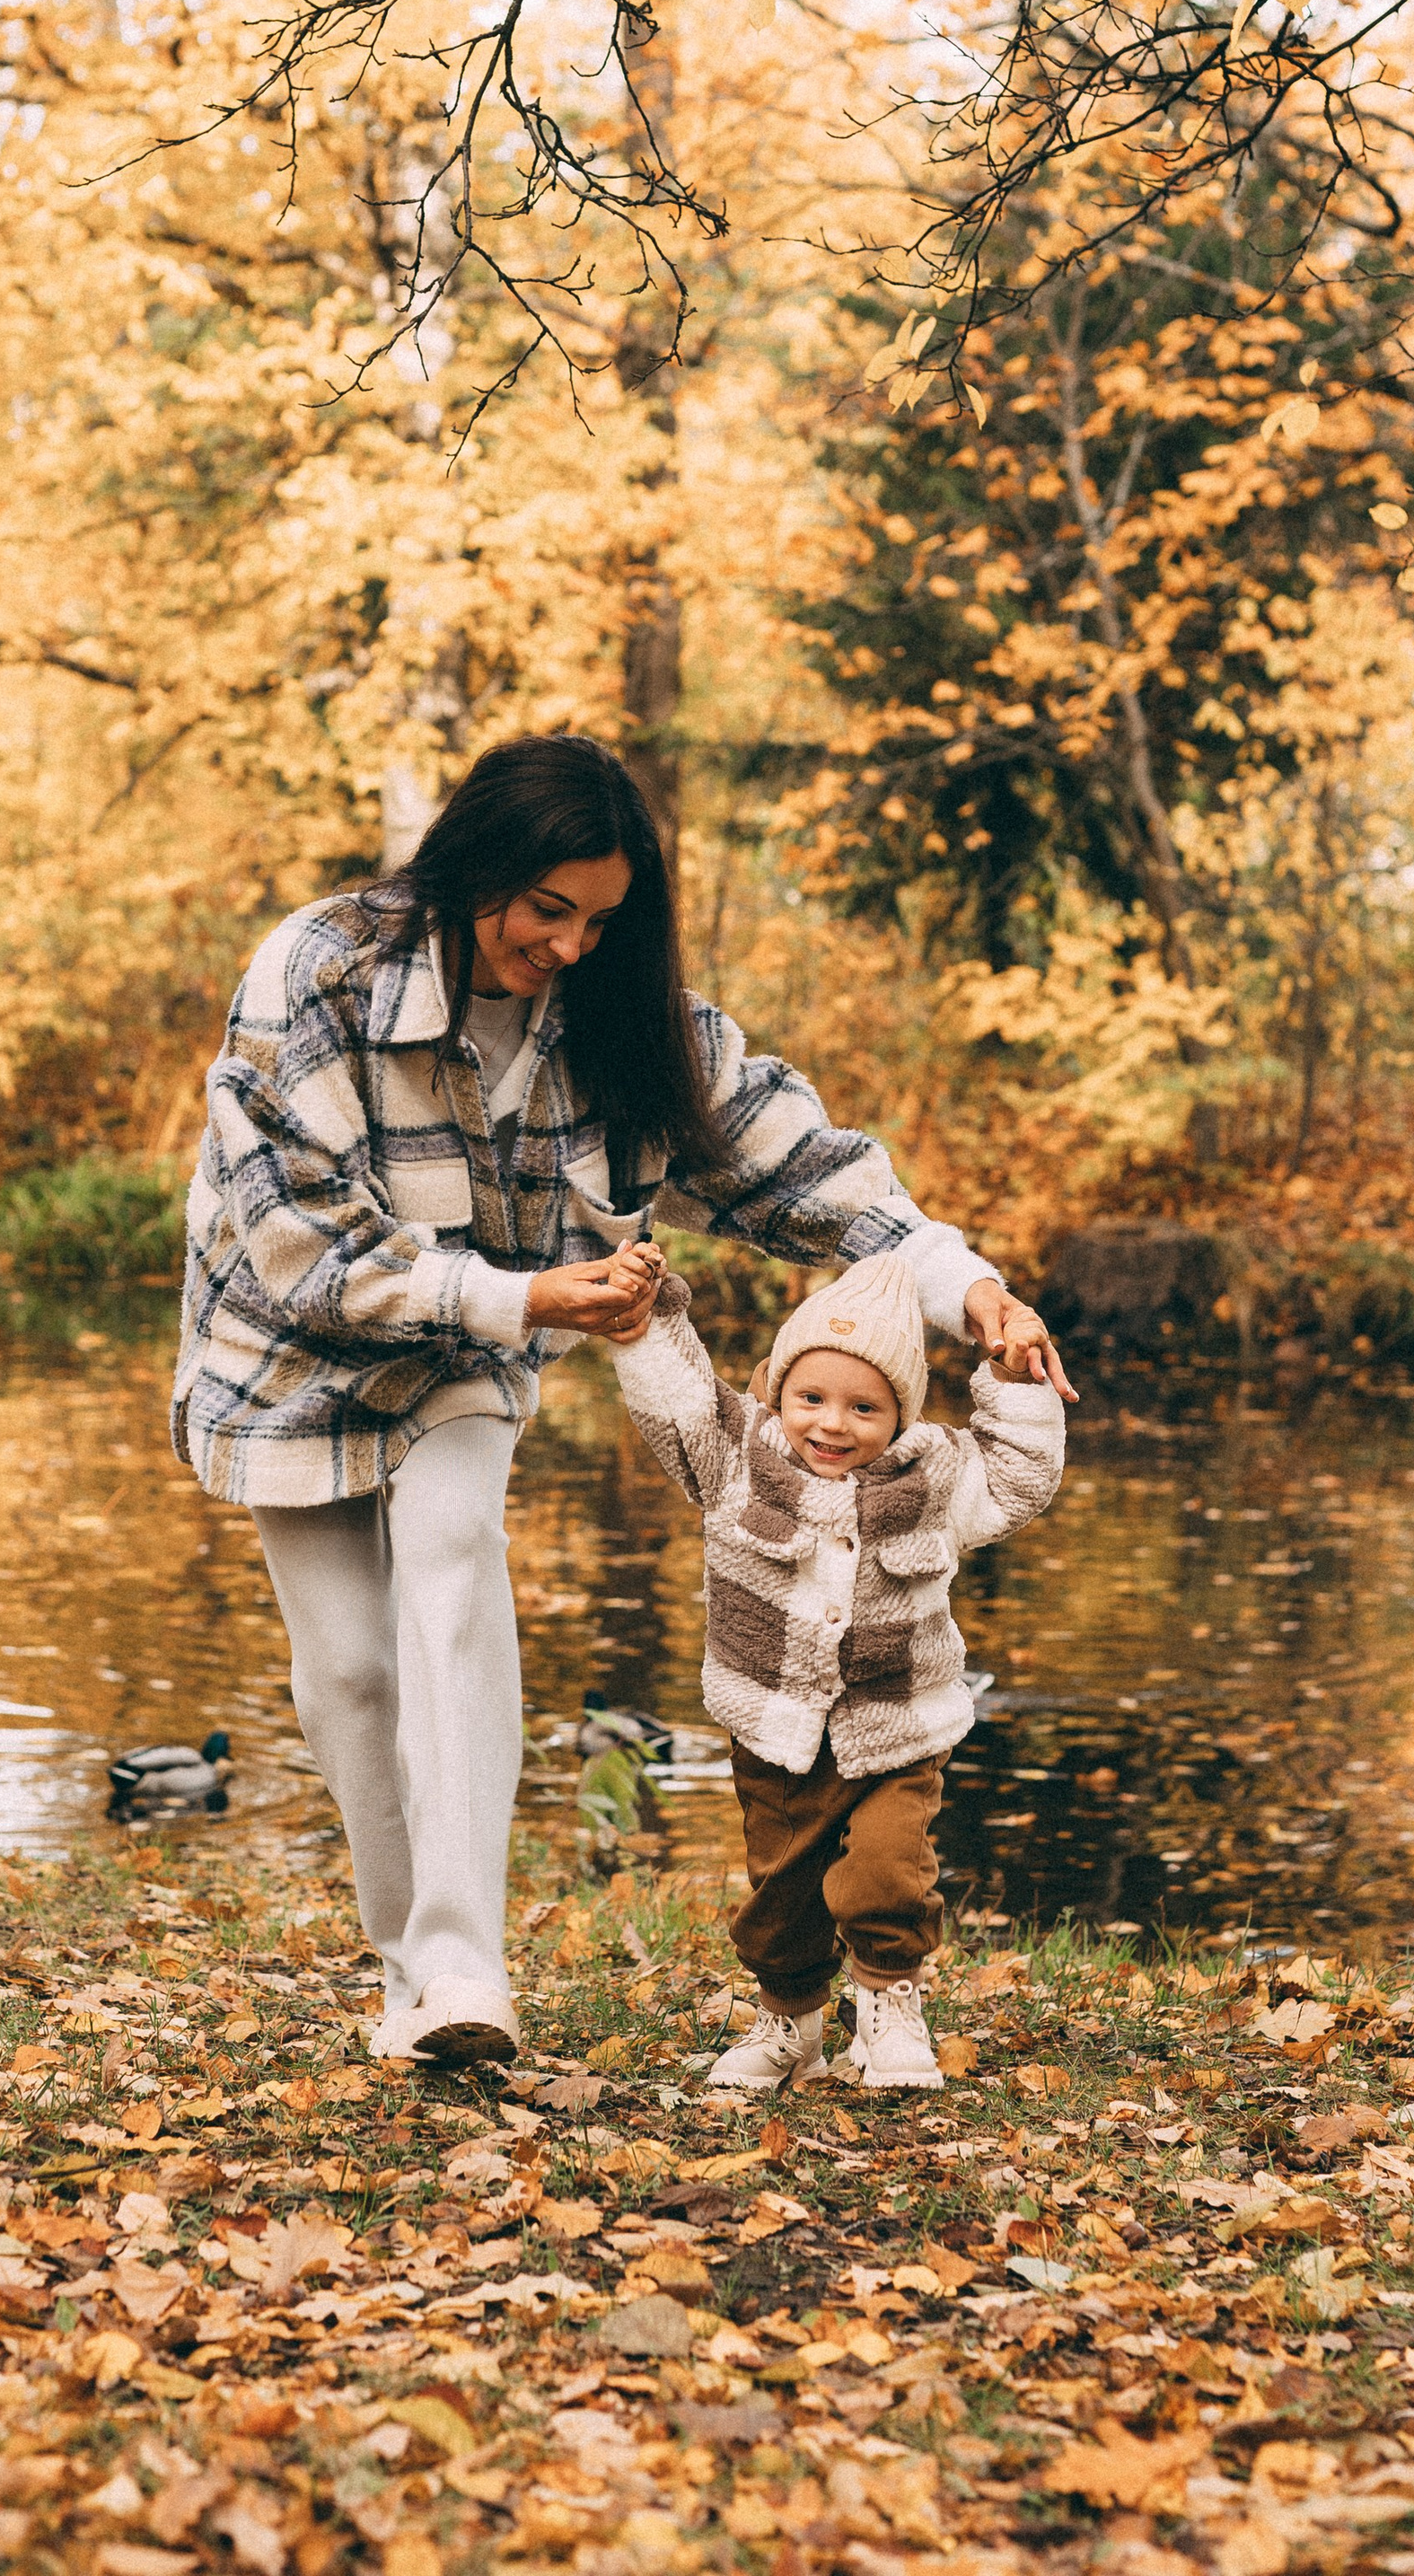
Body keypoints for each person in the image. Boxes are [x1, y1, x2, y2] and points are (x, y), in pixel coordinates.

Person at [171, 733, 1068, 2070]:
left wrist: (969, 1289)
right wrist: (533, 1300)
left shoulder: (622, 1018)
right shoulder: (320, 973)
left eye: (603, 919)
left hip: (468, 1361)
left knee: (458, 1564)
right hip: (289, 1354)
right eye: (548, 910)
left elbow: (806, 1173)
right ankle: (406, 1962)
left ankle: (467, 1972)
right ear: (476, 867)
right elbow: (301, 1250)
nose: (574, 947)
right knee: (351, 1676)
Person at [607, 1248, 1067, 2090]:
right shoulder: (735, 1459)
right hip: (774, 1730)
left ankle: (890, 2008)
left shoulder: (932, 1477)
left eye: (865, 1407)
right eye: (810, 1398)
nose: (832, 1424)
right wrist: (648, 1318)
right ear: (777, 1392)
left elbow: (1020, 1480)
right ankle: (790, 2022)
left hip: (899, 1727)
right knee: (779, 1899)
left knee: (886, 1872)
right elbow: (677, 1406)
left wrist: (1017, 1382)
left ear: (901, 1415)